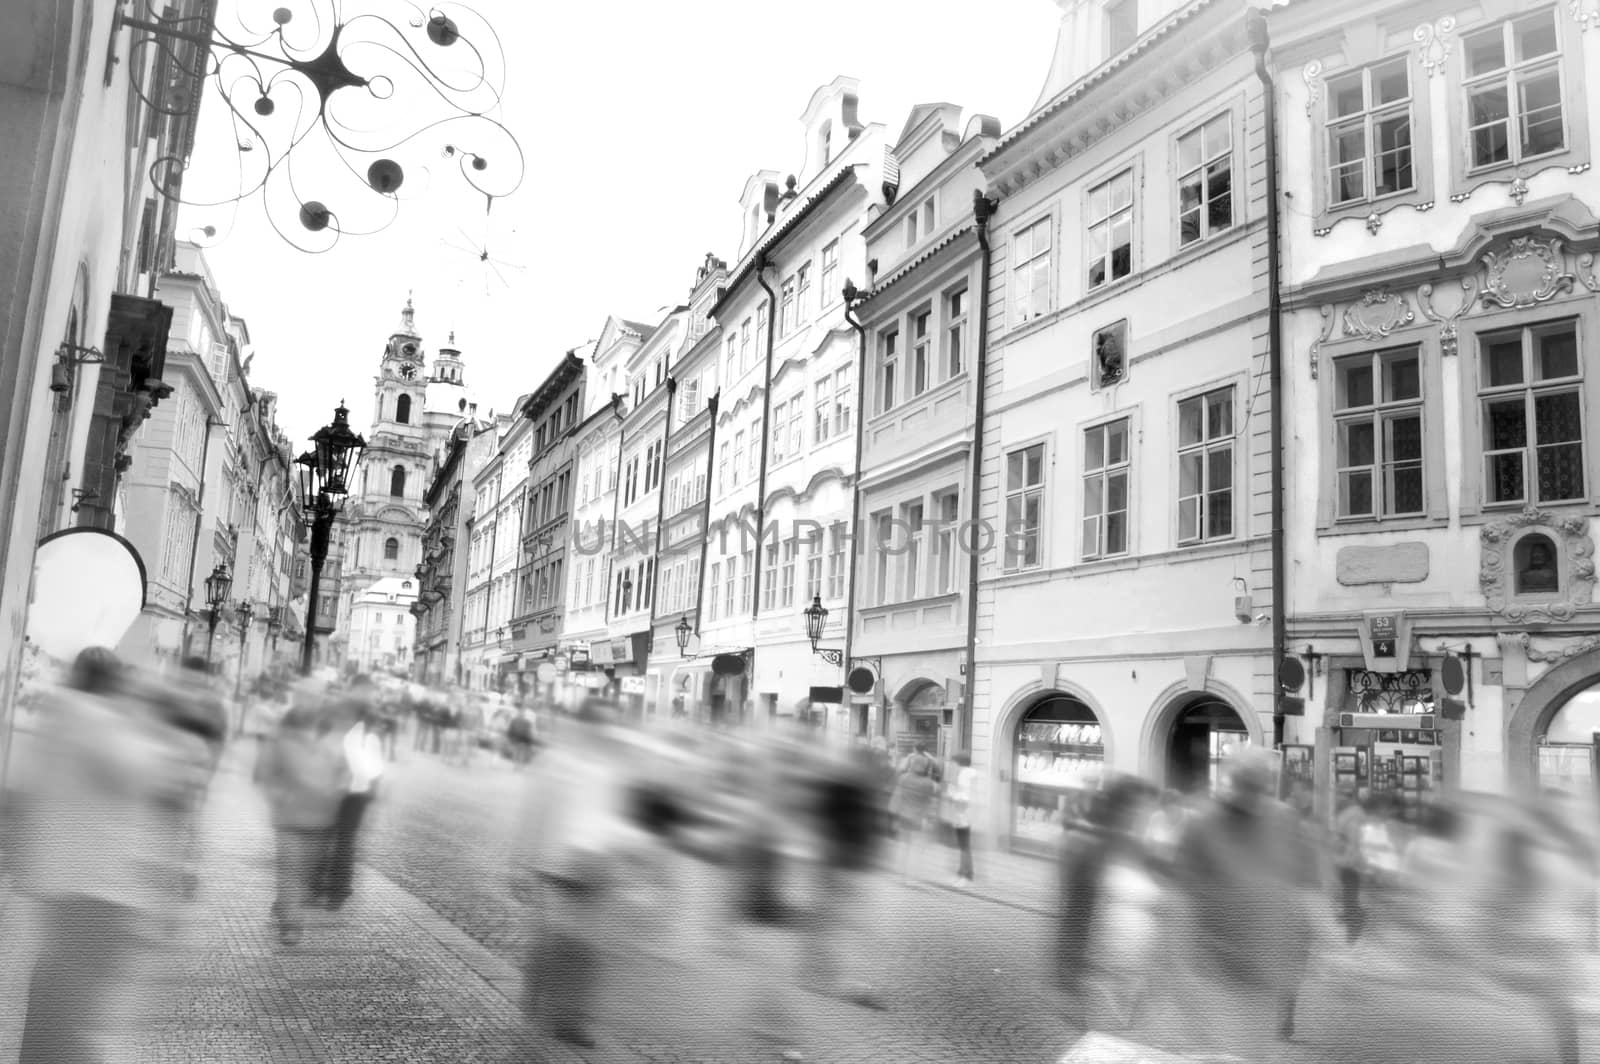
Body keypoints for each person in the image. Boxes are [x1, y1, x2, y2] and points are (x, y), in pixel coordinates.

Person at [13, 648, 211, 1063]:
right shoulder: (88, 720)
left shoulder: (62, 719)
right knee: (78, 1019)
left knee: (58, 1001)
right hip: (95, 890)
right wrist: (155, 713)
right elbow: (154, 772)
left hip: (74, 885)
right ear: (109, 684)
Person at [255, 705, 347, 944]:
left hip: (321, 819)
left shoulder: (333, 742)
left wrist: (338, 791)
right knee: (291, 869)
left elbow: (344, 772)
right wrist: (279, 795)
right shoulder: (280, 739)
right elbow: (264, 771)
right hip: (290, 818)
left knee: (304, 873)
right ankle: (291, 924)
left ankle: (285, 907)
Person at [313, 696, 385, 911]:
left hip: (351, 794)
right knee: (333, 840)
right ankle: (329, 888)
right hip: (344, 793)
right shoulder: (356, 735)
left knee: (339, 842)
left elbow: (371, 768)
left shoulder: (360, 737)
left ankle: (334, 889)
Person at [887, 744, 939, 884]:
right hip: (918, 819)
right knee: (916, 848)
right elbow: (930, 803)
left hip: (904, 816)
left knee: (903, 845)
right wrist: (930, 820)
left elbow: (897, 798)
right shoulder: (928, 784)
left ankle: (900, 874)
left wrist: (893, 816)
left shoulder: (904, 779)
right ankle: (913, 876)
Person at [943, 751, 977, 887]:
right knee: (964, 845)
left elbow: (966, 796)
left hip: (964, 814)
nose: (953, 765)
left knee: (964, 846)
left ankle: (966, 876)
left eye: (954, 763)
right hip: (964, 814)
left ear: (959, 763)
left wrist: (952, 796)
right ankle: (963, 873)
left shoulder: (965, 775)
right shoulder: (968, 773)